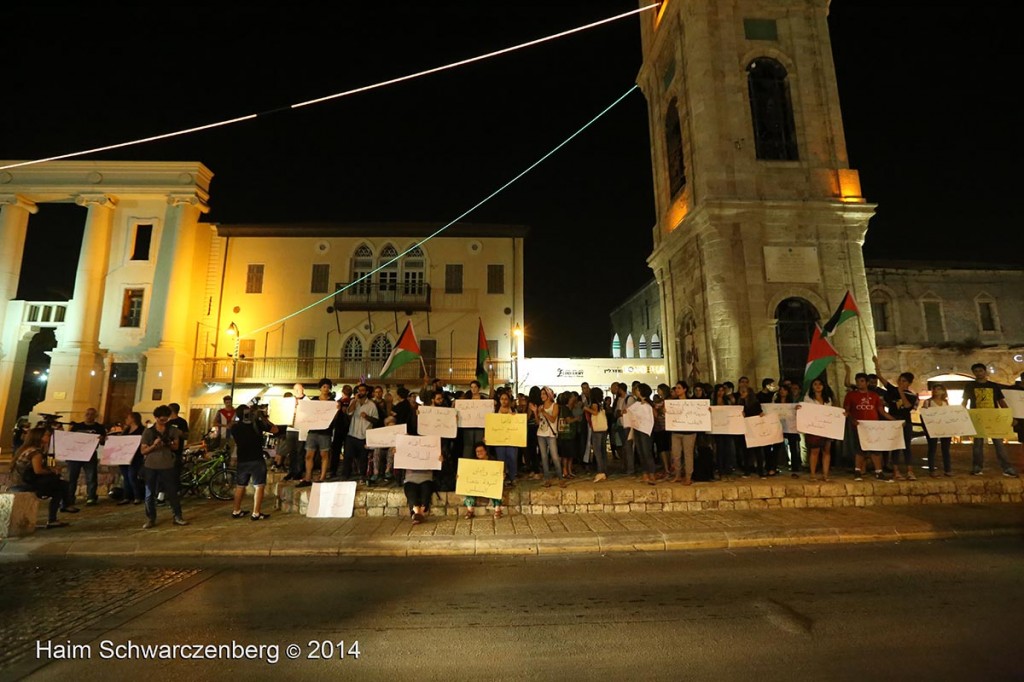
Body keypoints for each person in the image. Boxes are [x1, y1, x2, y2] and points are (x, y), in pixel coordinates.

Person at [11, 427, 76, 527]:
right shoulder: (35, 452)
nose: (49, 437)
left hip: (24, 480)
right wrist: (52, 470)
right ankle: (64, 507)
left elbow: (42, 466)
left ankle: (61, 510)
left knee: (58, 489)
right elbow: (38, 470)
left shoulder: (26, 449)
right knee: (62, 484)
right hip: (27, 483)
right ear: (39, 437)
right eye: (47, 435)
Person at [962, 362, 1017, 477]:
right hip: (978, 418)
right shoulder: (969, 386)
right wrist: (960, 414)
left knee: (999, 444)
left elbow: (1001, 401)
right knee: (977, 444)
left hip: (993, 418)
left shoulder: (994, 386)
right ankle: (977, 467)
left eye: (980, 371)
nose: (978, 373)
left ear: (984, 372)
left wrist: (1008, 416)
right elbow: (965, 402)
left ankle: (1007, 468)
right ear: (973, 373)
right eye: (976, 371)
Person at [843, 371, 896, 482]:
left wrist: (895, 421)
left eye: (862, 381)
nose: (859, 383)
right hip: (859, 426)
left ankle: (879, 472)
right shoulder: (851, 395)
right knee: (860, 449)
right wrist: (852, 419)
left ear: (867, 383)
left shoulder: (874, 395)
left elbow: (881, 411)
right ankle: (857, 471)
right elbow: (846, 411)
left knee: (875, 449)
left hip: (873, 426)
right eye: (857, 381)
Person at [140, 405, 187, 528]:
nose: (164, 422)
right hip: (151, 465)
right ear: (156, 418)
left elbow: (176, 446)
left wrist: (167, 443)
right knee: (149, 493)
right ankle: (151, 518)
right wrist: (154, 446)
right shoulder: (149, 432)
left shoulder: (172, 430)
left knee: (172, 492)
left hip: (167, 465)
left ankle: (177, 516)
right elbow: (143, 451)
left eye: (166, 420)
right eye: (161, 420)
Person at [229, 404, 278, 520]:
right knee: (259, 486)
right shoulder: (257, 424)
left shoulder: (235, 427)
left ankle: (236, 510)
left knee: (240, 486)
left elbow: (232, 425)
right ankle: (256, 512)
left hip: (242, 460)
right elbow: (275, 429)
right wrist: (262, 417)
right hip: (256, 459)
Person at [874, 360, 919, 480]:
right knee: (895, 446)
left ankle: (910, 471)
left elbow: (908, 406)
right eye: (899, 380)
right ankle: (896, 471)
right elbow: (880, 378)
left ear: (909, 383)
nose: (900, 382)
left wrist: (901, 393)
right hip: (894, 422)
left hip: (906, 423)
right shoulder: (892, 391)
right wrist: (876, 364)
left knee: (907, 447)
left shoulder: (912, 395)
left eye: (904, 381)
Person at [297, 378, 340, 487]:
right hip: (313, 430)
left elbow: (334, 419)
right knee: (309, 455)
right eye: (323, 387)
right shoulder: (314, 400)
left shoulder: (332, 402)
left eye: (327, 387)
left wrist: (337, 410)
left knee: (324, 454)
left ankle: (322, 477)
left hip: (325, 431)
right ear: (320, 388)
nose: (325, 389)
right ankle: (308, 477)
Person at [67, 407, 106, 507]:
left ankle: (91, 497)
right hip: (75, 455)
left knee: (91, 476)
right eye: (87, 414)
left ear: (95, 416)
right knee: (72, 478)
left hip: (90, 454)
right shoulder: (77, 426)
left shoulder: (99, 428)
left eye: (91, 414)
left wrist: (101, 439)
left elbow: (103, 442)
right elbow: (68, 439)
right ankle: (70, 498)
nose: (89, 416)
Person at [800, 378, 836, 481]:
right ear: (812, 386)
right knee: (814, 450)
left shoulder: (828, 399)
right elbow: (805, 411)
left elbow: (832, 412)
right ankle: (812, 474)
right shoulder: (808, 399)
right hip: (814, 428)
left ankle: (825, 474)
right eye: (815, 384)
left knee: (826, 451)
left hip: (826, 427)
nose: (818, 386)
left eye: (820, 384)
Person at [343, 383, 380, 483]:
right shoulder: (354, 402)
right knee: (348, 456)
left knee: (363, 458)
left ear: (367, 392)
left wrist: (367, 417)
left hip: (364, 435)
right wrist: (354, 401)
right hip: (352, 433)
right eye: (359, 390)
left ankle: (362, 476)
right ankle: (346, 475)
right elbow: (349, 412)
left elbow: (376, 420)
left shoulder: (371, 405)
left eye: (363, 390)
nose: (360, 392)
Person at [461, 442, 505, 520]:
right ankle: (470, 510)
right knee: (468, 488)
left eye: (481, 451)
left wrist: (502, 476)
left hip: (489, 484)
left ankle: (497, 510)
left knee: (496, 488)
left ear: (485, 451)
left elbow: (499, 473)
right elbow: (466, 474)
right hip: (476, 485)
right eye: (477, 451)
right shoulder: (472, 462)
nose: (479, 453)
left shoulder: (493, 461)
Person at [532, 386, 563, 488]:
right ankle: (547, 479)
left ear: (549, 395)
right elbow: (538, 422)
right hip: (541, 433)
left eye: (544, 394)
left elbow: (553, 419)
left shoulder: (555, 405)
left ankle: (560, 478)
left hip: (551, 434)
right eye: (541, 394)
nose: (542, 396)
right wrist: (535, 412)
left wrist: (544, 412)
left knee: (554, 456)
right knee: (544, 457)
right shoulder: (540, 406)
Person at [920, 384, 953, 477]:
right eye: (934, 389)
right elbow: (923, 414)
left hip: (945, 428)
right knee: (932, 449)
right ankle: (932, 469)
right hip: (933, 428)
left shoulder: (945, 402)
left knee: (946, 449)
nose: (936, 391)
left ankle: (948, 469)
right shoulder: (928, 402)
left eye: (938, 389)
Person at [115, 411, 146, 505]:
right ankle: (126, 496)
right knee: (126, 477)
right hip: (124, 456)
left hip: (136, 456)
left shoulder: (142, 430)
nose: (126, 420)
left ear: (133, 419)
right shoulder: (126, 430)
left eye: (128, 418)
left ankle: (137, 496)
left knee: (132, 476)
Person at [493, 391, 518, 487]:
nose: (504, 401)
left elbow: (518, 425)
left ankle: (512, 478)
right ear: (499, 400)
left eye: (506, 399)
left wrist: (514, 418)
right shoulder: (495, 411)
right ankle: (502, 479)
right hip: (499, 440)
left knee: (512, 458)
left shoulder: (514, 411)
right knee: (501, 459)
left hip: (511, 439)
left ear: (509, 400)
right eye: (502, 399)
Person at [459, 380, 488, 459]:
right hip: (468, 427)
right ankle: (467, 465)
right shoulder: (466, 400)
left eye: (475, 387)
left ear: (479, 388)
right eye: (471, 387)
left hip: (480, 427)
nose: (473, 389)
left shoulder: (484, 400)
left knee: (479, 445)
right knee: (468, 446)